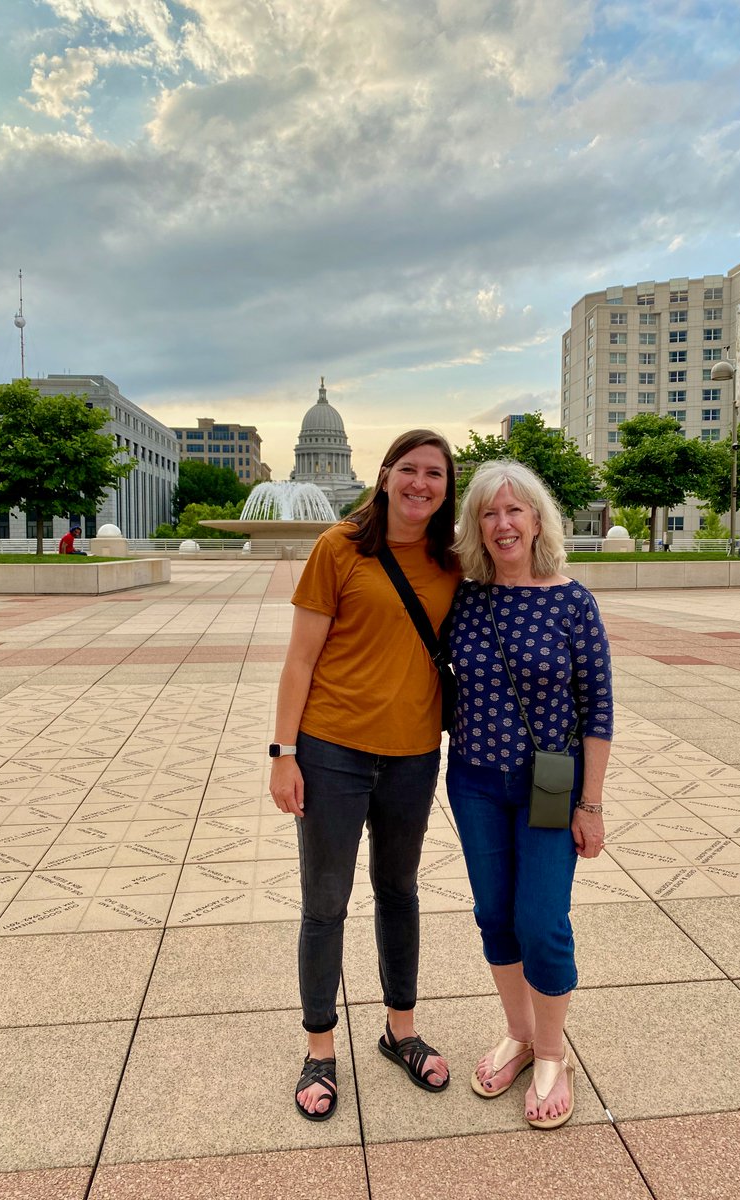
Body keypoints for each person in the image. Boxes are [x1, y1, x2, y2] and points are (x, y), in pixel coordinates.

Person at [269, 429, 460, 1122]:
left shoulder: (452, 560)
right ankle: (319, 1048)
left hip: (414, 753)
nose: (420, 483)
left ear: (447, 487)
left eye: (434, 473)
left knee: (399, 892)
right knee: (325, 902)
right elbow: (300, 659)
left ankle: (399, 1030)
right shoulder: (339, 547)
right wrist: (283, 752)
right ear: (383, 476)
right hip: (332, 751)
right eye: (408, 469)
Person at [446, 460, 613, 1130]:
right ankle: (518, 1036)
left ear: (538, 520)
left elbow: (597, 709)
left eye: (515, 510)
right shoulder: (465, 598)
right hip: (475, 782)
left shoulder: (572, 602)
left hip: (550, 784)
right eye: (488, 512)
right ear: (475, 525)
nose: (503, 523)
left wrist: (591, 805)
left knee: (541, 920)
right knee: (494, 914)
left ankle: (552, 1053)